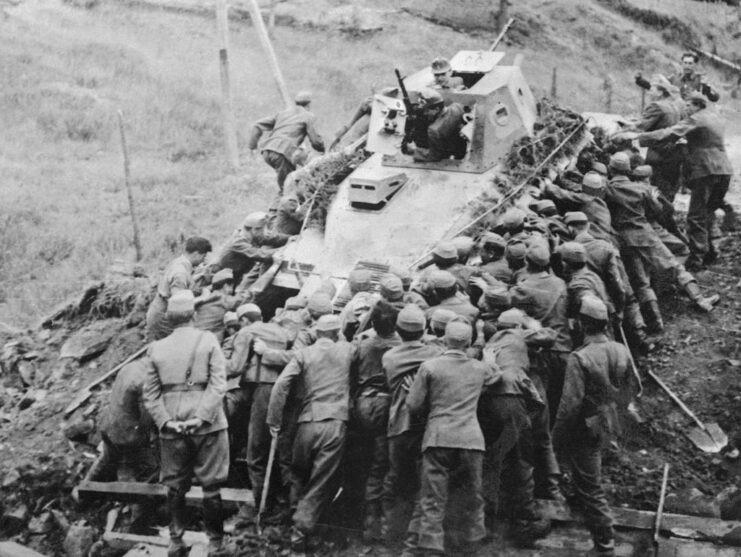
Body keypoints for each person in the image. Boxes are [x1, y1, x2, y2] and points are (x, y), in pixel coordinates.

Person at [141, 290, 228, 557]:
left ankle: (176, 541)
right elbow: (218, 384)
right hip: (208, 425)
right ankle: (214, 544)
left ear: (169, 318)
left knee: (175, 486)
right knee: (211, 487)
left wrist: (166, 422)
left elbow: (150, 395)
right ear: (193, 314)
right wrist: (201, 416)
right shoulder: (208, 339)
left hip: (173, 427)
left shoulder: (156, 348)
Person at [552, 296, 634, 557]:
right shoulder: (621, 349)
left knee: (591, 487)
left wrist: (555, 439)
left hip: (584, 427)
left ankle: (604, 545)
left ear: (582, 324)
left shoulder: (581, 357)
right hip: (609, 422)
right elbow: (631, 390)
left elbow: (570, 406)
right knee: (589, 475)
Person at [266, 314, 355, 551]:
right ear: (337, 333)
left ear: (316, 333)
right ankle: (300, 531)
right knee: (321, 480)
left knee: (298, 474)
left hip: (306, 423)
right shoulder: (347, 350)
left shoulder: (304, 354)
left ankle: (297, 520)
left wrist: (274, 421)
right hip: (334, 424)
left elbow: (281, 385)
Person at [603, 152, 719, 325]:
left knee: (641, 281)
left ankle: (656, 322)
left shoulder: (607, 189)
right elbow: (657, 211)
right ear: (628, 170)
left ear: (611, 169)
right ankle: (700, 300)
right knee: (674, 266)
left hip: (622, 240)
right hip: (645, 235)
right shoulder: (642, 189)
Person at [405, 320, 489, 556]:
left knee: (433, 497)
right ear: (469, 342)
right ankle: (472, 542)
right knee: (473, 495)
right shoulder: (480, 368)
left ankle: (431, 546)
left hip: (438, 437)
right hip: (471, 439)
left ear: (444, 340)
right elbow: (494, 375)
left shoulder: (430, 367)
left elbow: (413, 405)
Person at [631, 92, 733, 272]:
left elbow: (669, 132)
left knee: (696, 215)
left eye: (687, 106)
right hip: (724, 169)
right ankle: (711, 251)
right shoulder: (714, 118)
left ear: (697, 105)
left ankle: (696, 260)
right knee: (708, 211)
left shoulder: (695, 119)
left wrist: (636, 136)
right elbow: (702, 139)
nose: (684, 109)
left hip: (705, 170)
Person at [382, 304, 443, 547]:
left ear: (397, 330)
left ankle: (389, 531)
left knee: (396, 478)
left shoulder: (390, 357)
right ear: (424, 329)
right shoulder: (435, 354)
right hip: (425, 425)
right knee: (423, 482)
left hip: (399, 424)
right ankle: (414, 538)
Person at [248, 91, 326, 194]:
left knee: (286, 184)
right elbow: (315, 141)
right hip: (283, 152)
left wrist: (252, 146)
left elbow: (257, 125)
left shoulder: (282, 114)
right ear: (309, 104)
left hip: (267, 152)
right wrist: (323, 150)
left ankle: (278, 207)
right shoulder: (308, 116)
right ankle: (279, 209)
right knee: (288, 189)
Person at [627, 74, 683, 202]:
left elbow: (640, 126)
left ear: (660, 92)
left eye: (652, 88)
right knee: (666, 193)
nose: (650, 91)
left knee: (654, 190)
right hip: (672, 155)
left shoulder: (656, 106)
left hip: (658, 155)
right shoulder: (673, 106)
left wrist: (623, 127)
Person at [146, 236, 212, 342]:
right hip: (163, 317)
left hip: (159, 309)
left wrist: (195, 278)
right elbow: (179, 305)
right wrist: (204, 297)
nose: (202, 261)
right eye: (203, 257)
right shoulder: (181, 272)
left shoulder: (179, 262)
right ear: (196, 254)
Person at [214, 212, 288, 289]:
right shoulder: (238, 242)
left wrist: (293, 238)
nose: (268, 232)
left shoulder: (254, 235)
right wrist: (284, 250)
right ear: (254, 229)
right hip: (222, 278)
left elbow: (274, 238)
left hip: (237, 272)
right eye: (265, 229)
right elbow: (261, 255)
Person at [404, 89, 467, 163]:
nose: (425, 113)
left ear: (437, 109)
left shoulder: (433, 131)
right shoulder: (456, 107)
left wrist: (414, 150)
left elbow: (435, 157)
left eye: (427, 110)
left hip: (448, 149)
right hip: (458, 142)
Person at [330, 86, 400, 150]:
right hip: (353, 139)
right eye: (392, 95)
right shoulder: (373, 106)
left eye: (395, 95)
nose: (395, 96)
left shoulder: (389, 111)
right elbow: (368, 106)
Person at [193, 268, 241, 343]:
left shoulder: (206, 297)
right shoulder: (222, 298)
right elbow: (244, 298)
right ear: (226, 286)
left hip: (194, 338)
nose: (232, 291)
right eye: (232, 287)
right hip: (208, 343)